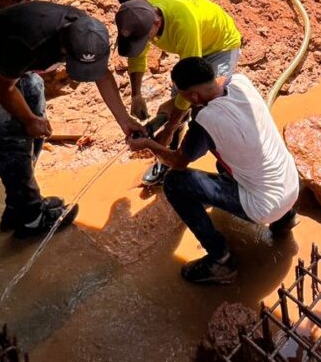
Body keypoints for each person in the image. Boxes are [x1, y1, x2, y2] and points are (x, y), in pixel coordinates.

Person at [0, 1, 143, 238]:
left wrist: (124, 120)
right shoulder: (31, 40)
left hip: (18, 70)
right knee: (13, 142)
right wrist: (28, 119)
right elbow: (2, 87)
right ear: (64, 46)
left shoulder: (90, 34)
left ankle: (19, 203)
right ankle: (30, 220)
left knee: (34, 131)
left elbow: (102, 74)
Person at [128, 57, 299, 284]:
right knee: (233, 162)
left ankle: (222, 260)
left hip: (264, 207)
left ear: (194, 97)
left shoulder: (206, 120)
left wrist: (150, 144)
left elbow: (178, 161)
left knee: (175, 183)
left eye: (183, 95)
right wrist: (177, 106)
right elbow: (213, 87)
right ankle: (286, 220)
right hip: (291, 186)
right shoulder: (240, 83)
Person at [115, 0, 242, 184]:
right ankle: (168, 159)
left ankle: (229, 166)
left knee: (208, 109)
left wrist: (168, 130)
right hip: (196, 47)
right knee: (178, 101)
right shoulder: (140, 16)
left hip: (219, 48)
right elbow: (137, 55)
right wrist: (136, 95)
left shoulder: (183, 24)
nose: (143, 44)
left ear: (156, 22)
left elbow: (190, 91)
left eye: (143, 39)